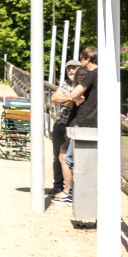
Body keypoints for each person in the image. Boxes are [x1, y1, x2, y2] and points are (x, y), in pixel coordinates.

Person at [50, 47, 99, 204]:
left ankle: (71, 193)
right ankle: (70, 191)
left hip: (83, 122)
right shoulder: (100, 74)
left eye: (81, 59)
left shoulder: (91, 75)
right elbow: (56, 97)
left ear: (86, 59)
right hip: (85, 122)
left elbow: (74, 94)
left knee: (69, 158)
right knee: (68, 156)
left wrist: (72, 98)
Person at [49, 61, 82, 197]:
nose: (72, 71)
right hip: (61, 120)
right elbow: (54, 98)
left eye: (74, 68)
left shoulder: (83, 85)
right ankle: (58, 185)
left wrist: (66, 99)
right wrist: (71, 99)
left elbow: (79, 101)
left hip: (74, 122)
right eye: (69, 68)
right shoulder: (66, 83)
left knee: (67, 156)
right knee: (57, 155)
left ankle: (72, 189)